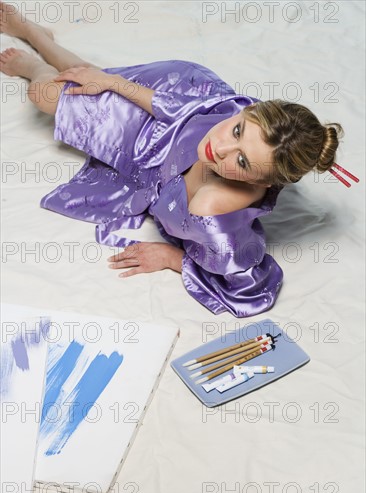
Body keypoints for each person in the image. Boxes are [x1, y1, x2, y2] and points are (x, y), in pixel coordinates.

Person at [0, 1, 346, 317]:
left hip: (153, 153)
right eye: (238, 132)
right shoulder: (230, 114)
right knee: (91, 80)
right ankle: (35, 34)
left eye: (242, 162)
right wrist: (112, 82)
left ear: (262, 183)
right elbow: (177, 110)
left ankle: (34, 60)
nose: (221, 149)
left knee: (46, 93)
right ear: (248, 110)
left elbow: (251, 287)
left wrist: (173, 258)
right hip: (181, 95)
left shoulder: (214, 211)